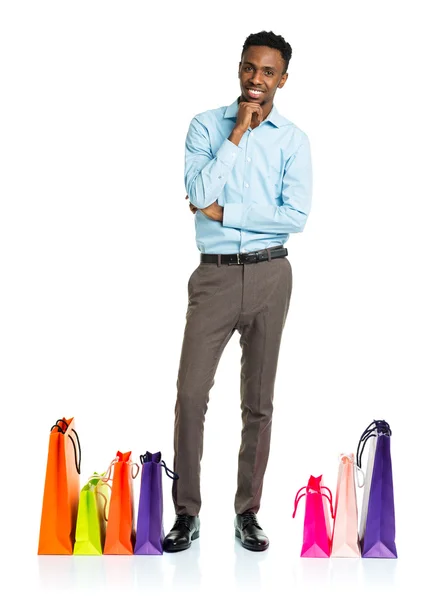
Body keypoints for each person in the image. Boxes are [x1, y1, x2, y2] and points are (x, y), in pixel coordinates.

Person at [163, 30, 312, 553]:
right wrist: (238, 136)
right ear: (240, 68)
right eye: (250, 67)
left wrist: (227, 213)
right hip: (216, 275)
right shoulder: (206, 126)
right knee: (190, 394)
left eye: (268, 72)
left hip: (272, 275)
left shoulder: (294, 140)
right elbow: (199, 191)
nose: (256, 79)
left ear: (283, 79)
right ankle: (187, 513)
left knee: (259, 402)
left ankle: (247, 512)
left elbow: (295, 217)